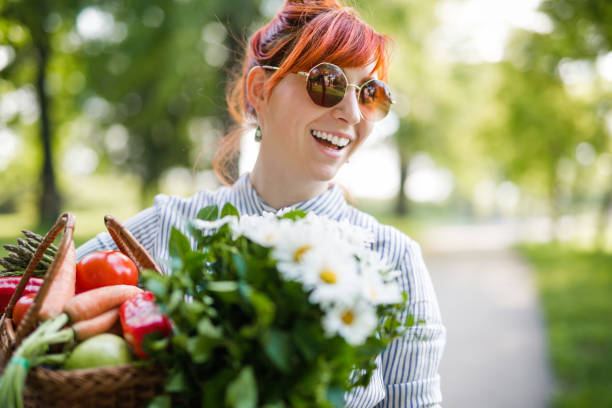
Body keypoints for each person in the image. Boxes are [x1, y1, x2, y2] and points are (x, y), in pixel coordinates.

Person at [76, 1, 446, 406]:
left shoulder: (396, 261)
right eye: (327, 82)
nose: (353, 113)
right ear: (260, 90)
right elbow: (31, 314)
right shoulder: (165, 229)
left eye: (370, 94)